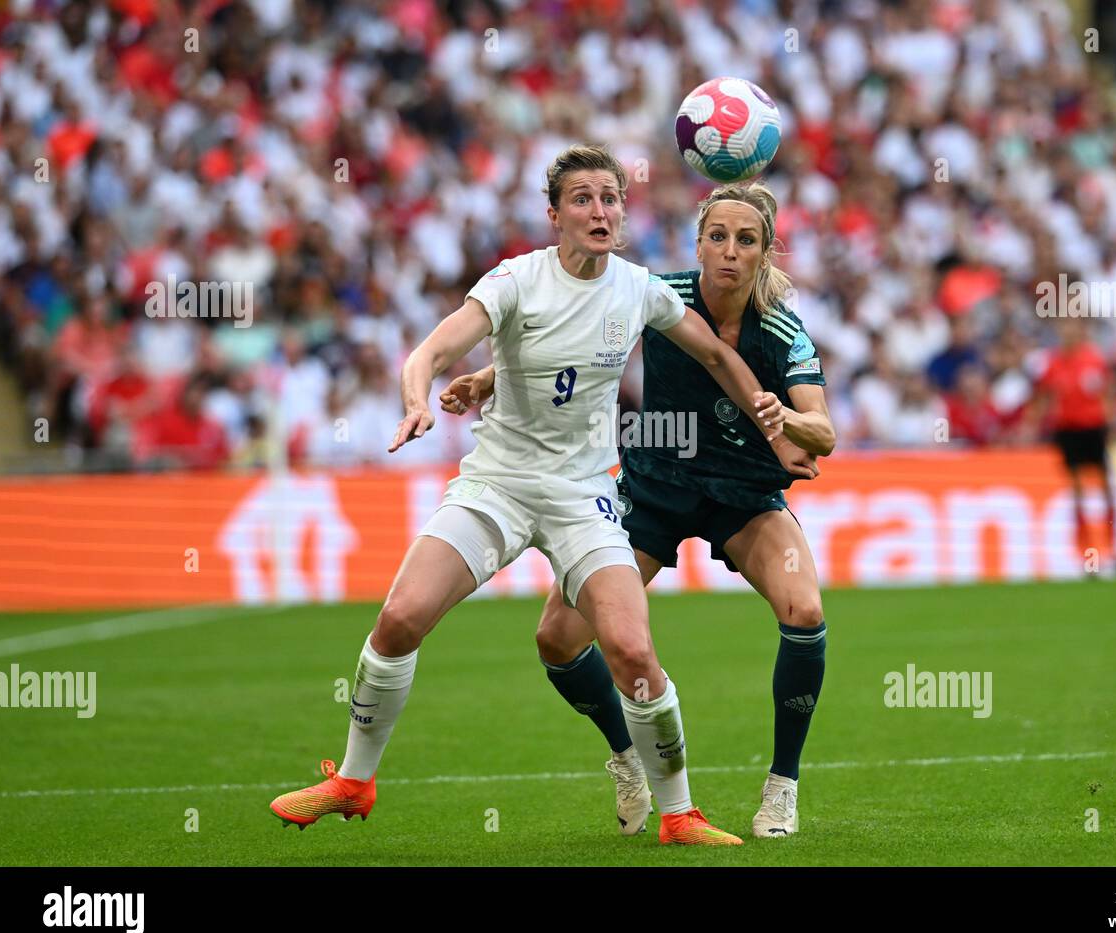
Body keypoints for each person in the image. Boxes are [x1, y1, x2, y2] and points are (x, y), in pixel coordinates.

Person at [268, 145, 813, 846]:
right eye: (582, 199)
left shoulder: (640, 289)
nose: (600, 211)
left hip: (584, 495)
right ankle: (353, 781)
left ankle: (679, 815)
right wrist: (420, 397)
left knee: (633, 652)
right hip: (497, 484)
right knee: (401, 617)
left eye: (611, 199)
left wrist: (774, 419)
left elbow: (716, 355)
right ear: (554, 214)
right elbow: (429, 352)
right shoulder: (514, 281)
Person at [440, 181, 835, 838]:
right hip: (654, 486)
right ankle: (627, 756)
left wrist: (787, 416)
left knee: (807, 612)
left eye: (746, 241)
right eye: (718, 237)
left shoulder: (784, 330)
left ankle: (782, 785)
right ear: (699, 243)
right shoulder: (656, 294)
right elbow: (564, 341)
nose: (729, 252)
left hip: (743, 496)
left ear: (766, 253)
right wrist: (486, 377)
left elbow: (825, 434)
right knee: (558, 641)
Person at [1028, 316, 1116, 576]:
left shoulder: (1094, 360)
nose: (1068, 333)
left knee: (1107, 491)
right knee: (1078, 494)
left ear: (1081, 331)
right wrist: (1031, 424)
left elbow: (1109, 394)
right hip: (1068, 431)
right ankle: (1088, 557)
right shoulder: (1053, 363)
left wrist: (1113, 425)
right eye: (1064, 328)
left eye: (1072, 328)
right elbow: (1044, 396)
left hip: (1094, 429)